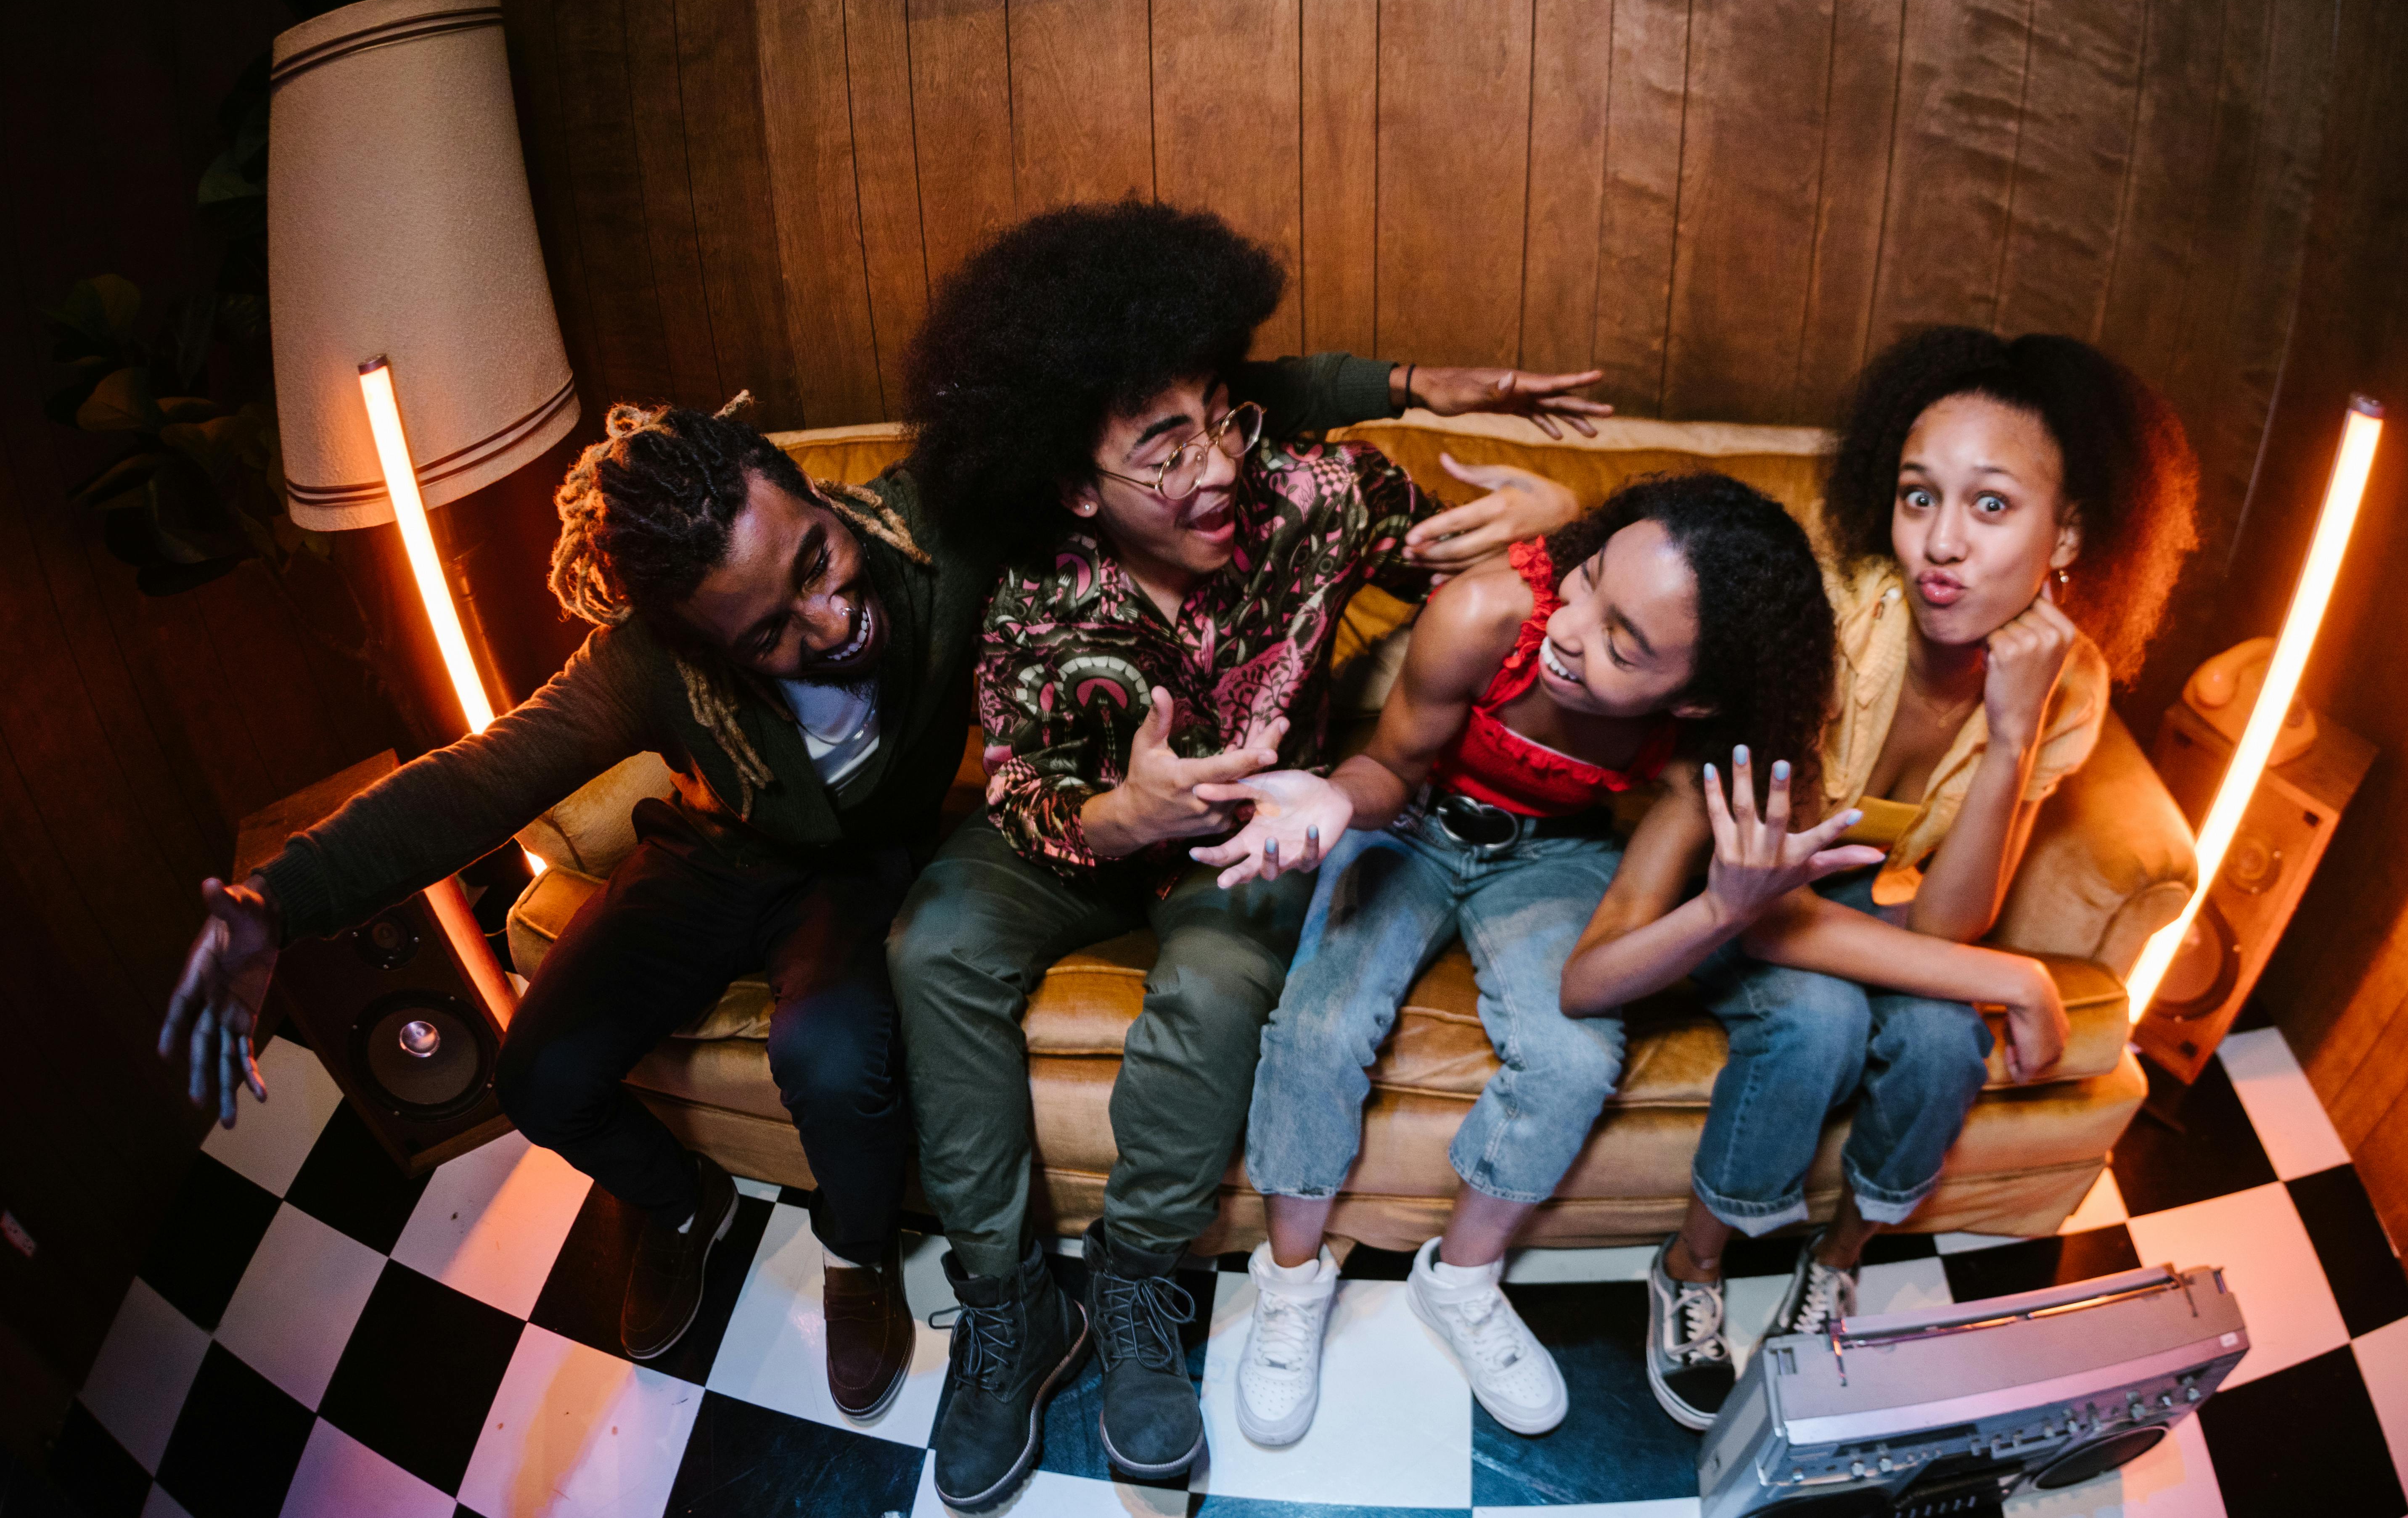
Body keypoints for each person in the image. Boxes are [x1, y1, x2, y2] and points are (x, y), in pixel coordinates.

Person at [154, 320, 1602, 1425]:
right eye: (775, 625)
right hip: (731, 855)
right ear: (699, 642)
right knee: (536, 1076)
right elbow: (471, 782)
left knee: (838, 1043)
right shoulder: (640, 668)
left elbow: (1181, 415)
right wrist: (275, 901)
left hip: (868, 871)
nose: (833, 615)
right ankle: (685, 1211)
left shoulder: (929, 526)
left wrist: (1411, 380)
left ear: (823, 499)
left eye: (821, 559)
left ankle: (889, 1262)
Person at [888, 200, 1586, 1509]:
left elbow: (1495, 579)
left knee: (1212, 986)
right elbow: (1028, 781)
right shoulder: (1033, 585)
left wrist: (1552, 516)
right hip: (1084, 833)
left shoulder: (1315, 495)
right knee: (932, 942)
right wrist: (1123, 816)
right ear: (1074, 483)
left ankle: (1143, 1287)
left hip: (1256, 835)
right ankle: (1009, 1305)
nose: (1215, 463)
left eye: (1222, 412)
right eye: (1165, 443)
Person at [1558, 325, 2201, 1429]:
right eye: (1918, 496)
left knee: (1948, 1035)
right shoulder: (1841, 612)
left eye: (1991, 505)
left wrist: (2011, 737)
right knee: (1815, 1020)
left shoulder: (2071, 687)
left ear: (2070, 534)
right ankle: (1693, 1265)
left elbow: (1954, 917)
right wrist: (2016, 978)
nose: (1941, 543)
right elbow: (1772, 917)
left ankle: (1841, 1255)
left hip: (1866, 903)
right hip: (1752, 889)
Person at [1216, 474, 1863, 1445]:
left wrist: (1726, 905)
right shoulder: (1487, 610)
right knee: (1321, 1026)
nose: (1570, 628)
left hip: (1555, 853)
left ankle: (1461, 1281)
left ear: (1697, 700)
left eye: (1621, 642)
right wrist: (1336, 802)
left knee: (1571, 1057)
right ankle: (1291, 1283)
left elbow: (1592, 979)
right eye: (1586, 583)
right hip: (1411, 825)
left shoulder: (1709, 749)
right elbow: (1391, 766)